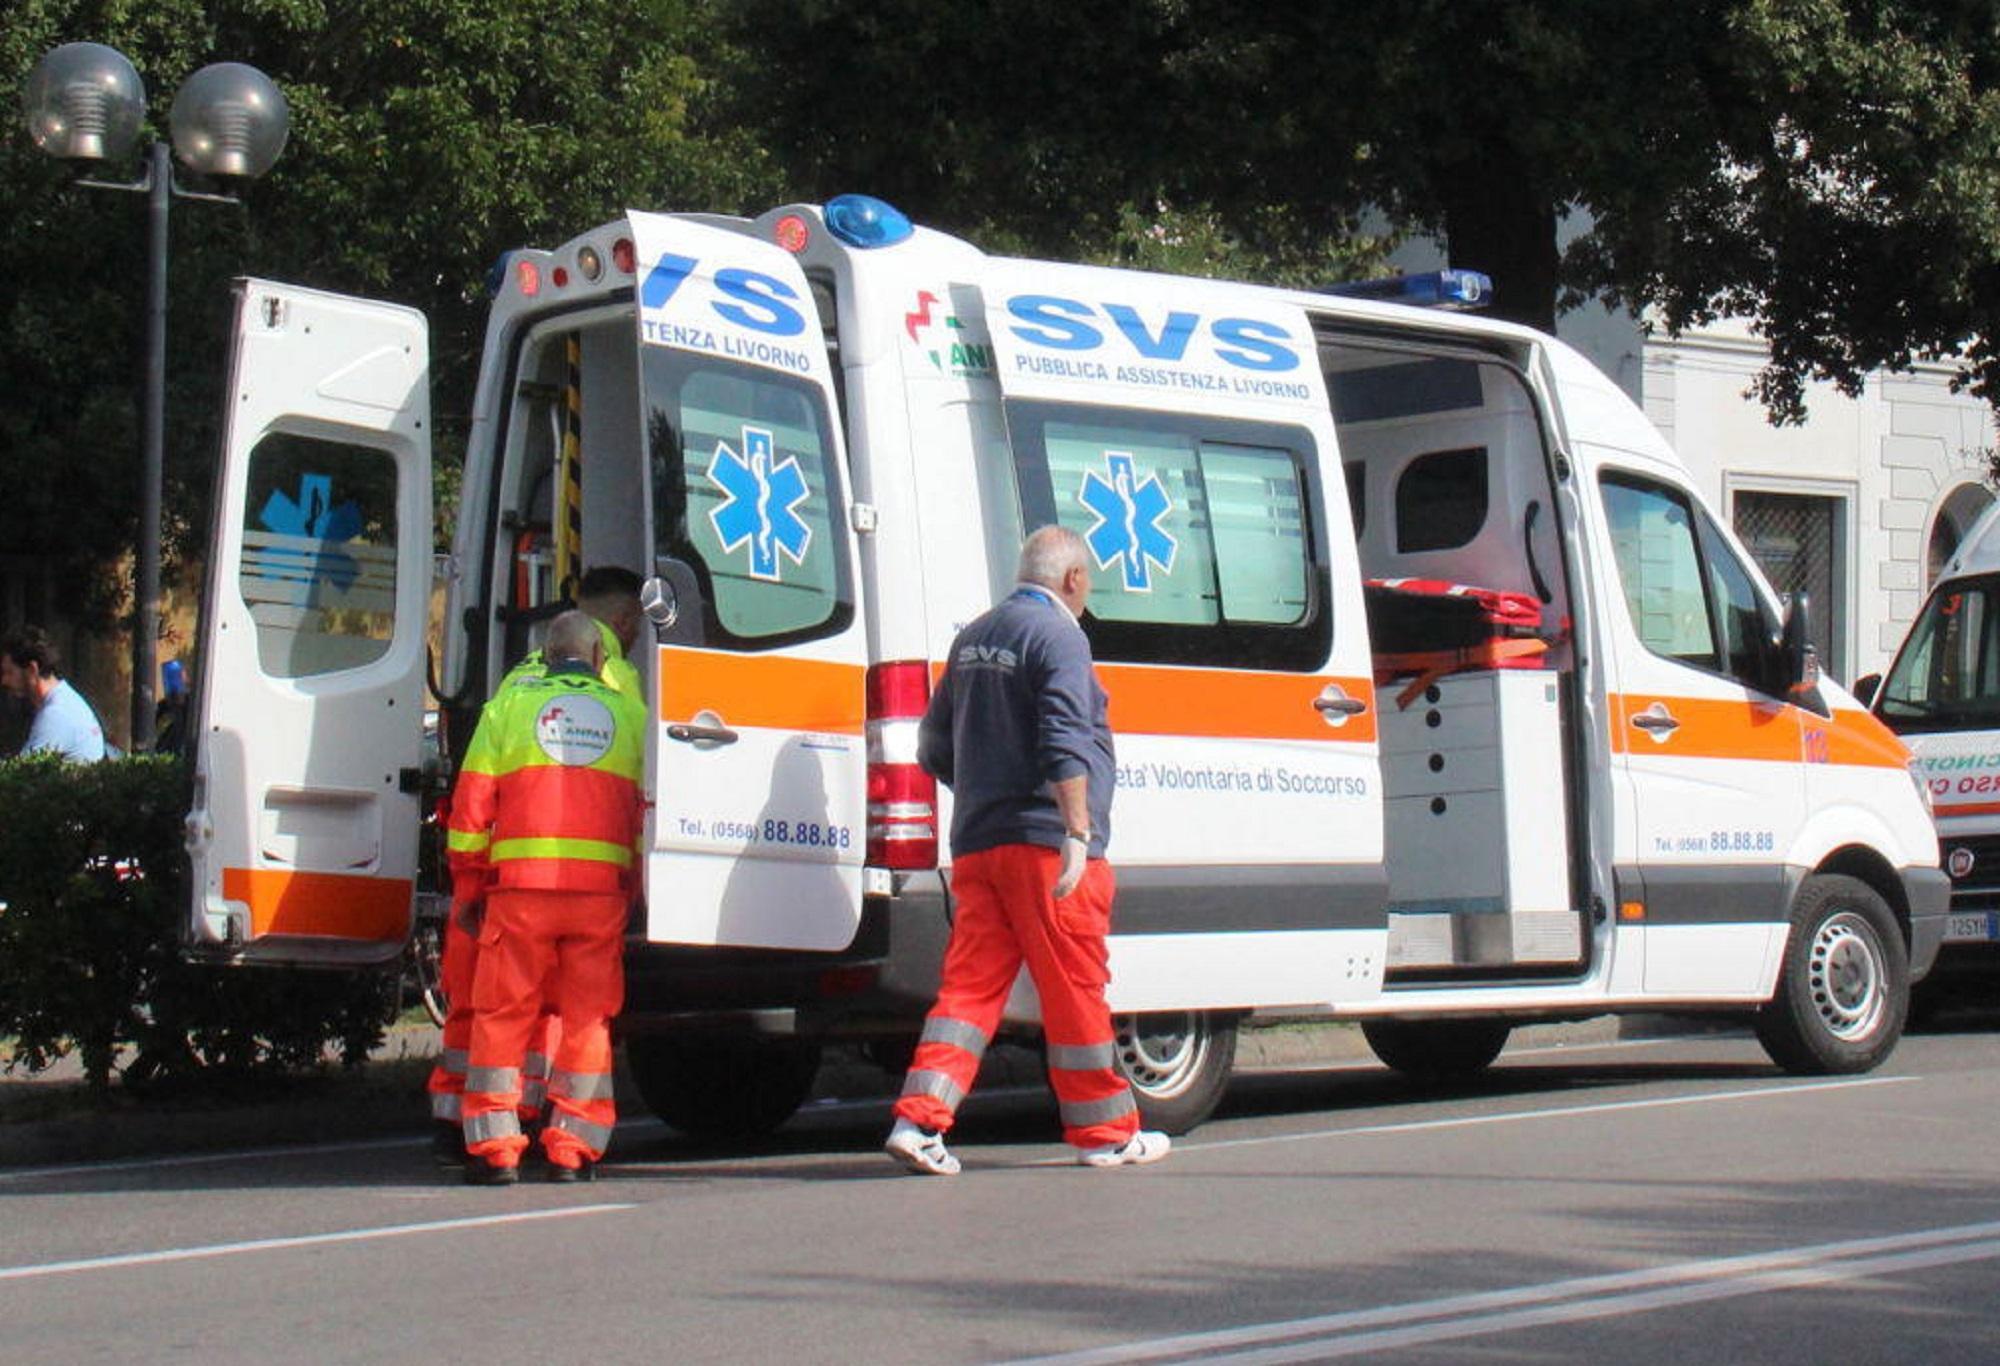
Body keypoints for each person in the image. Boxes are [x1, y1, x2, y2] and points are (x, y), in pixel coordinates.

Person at [884, 525, 1170, 1175]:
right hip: (1046, 847)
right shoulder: (1060, 637)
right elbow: (1065, 737)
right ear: (1072, 579)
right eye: (1088, 583)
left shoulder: (973, 637)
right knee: (1074, 990)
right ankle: (1106, 1135)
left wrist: (985, 792)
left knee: (968, 992)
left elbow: (933, 746)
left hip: (979, 844)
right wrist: (1077, 833)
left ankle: (918, 1122)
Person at [424, 564, 646, 1159]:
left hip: (519, 890)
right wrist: (633, 889)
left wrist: (469, 887)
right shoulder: (628, 709)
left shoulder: (511, 699)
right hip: (597, 894)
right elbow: (639, 810)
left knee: (502, 1011)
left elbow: (471, 807)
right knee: (588, 1018)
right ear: (601, 650)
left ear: (546, 653)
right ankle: (573, 1146)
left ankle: (495, 1144)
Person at [1, 627, 108, 763]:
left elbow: (19, 772)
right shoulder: (66, 700)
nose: (4, 681)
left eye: (9, 672)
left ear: (32, 669)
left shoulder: (56, 713)